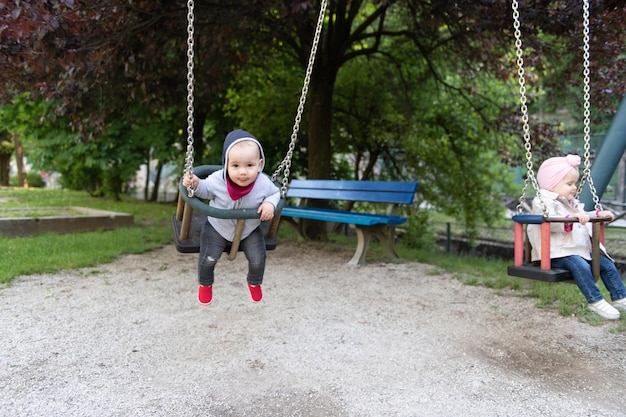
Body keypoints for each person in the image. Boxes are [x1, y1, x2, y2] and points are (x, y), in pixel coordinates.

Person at [182, 129, 280, 305]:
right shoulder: (217, 180)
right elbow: (204, 189)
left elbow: (275, 193)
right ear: (226, 164)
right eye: (235, 166)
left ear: (259, 164)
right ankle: (205, 284)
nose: (243, 172)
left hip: (249, 229)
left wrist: (270, 204)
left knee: (258, 259)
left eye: (249, 165)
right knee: (208, 258)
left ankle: (254, 282)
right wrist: (195, 184)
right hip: (218, 227)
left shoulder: (263, 182)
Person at [527, 154, 626, 320]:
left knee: (606, 264)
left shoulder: (571, 203)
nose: (574, 187)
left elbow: (583, 216)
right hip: (554, 253)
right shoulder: (542, 202)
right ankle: (595, 301)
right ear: (552, 184)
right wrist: (570, 220)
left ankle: (620, 297)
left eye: (575, 183)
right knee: (579, 265)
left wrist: (597, 214)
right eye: (569, 183)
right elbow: (550, 222)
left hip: (576, 250)